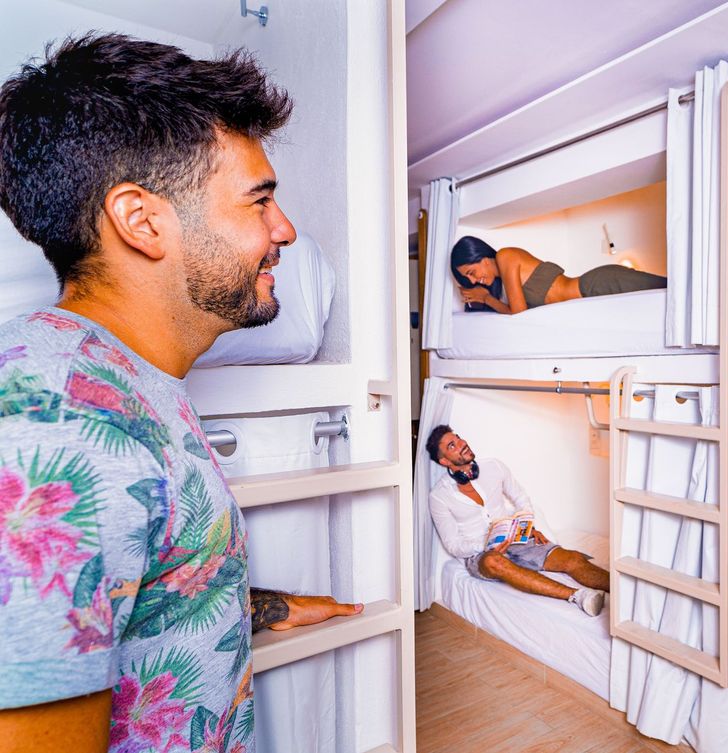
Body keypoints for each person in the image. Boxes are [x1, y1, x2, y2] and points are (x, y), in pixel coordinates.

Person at [0, 34, 361, 752]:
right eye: (258, 201)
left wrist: (255, 603)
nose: (283, 229)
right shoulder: (56, 424)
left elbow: (133, 581)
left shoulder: (123, 382)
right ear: (142, 220)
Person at [425, 425, 610, 615]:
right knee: (494, 562)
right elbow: (453, 545)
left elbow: (521, 500)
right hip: (482, 555)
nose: (462, 444)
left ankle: (623, 591)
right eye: (452, 446)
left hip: (516, 538)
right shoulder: (439, 496)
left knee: (572, 559)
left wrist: (526, 527)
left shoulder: (493, 466)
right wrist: (486, 544)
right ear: (444, 461)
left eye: (459, 438)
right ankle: (579, 596)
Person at [450, 235, 666, 314]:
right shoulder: (505, 286)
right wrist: (487, 298)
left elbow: (519, 315)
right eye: (467, 278)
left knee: (674, 289)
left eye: (471, 272)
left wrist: (486, 298)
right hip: (594, 299)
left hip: (596, 285)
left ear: (482, 257)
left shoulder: (506, 256)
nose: (472, 280)